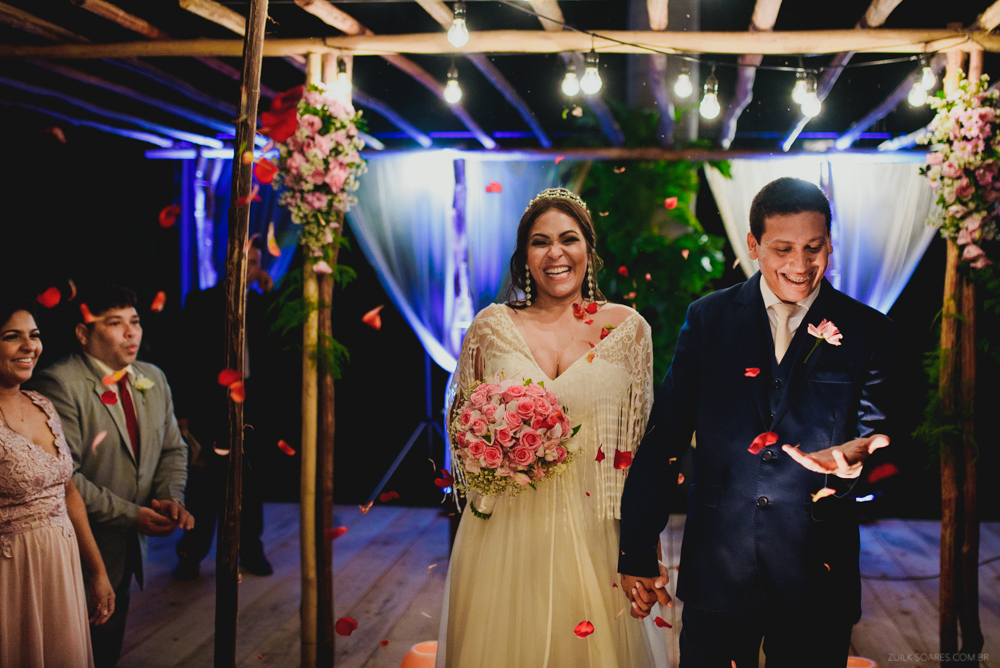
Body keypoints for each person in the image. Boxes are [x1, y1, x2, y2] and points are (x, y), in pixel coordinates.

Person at [618, 177, 894, 667]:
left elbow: (879, 433)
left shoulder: (868, 329)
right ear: (753, 244)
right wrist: (637, 548)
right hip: (719, 563)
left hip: (817, 570)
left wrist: (858, 460)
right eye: (783, 249)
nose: (801, 265)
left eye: (813, 248)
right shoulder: (708, 319)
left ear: (830, 242)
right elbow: (666, 434)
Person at [437, 188, 669, 668]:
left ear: (589, 248)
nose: (555, 253)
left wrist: (643, 551)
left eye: (568, 239)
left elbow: (642, 451)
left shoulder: (628, 330)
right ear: (525, 255)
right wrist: (494, 447)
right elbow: (460, 429)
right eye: (540, 242)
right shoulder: (492, 326)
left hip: (597, 533)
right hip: (506, 533)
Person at [28, 284, 193, 668]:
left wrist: (171, 498)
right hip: (77, 546)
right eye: (115, 323)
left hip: (126, 548)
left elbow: (172, 449)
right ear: (83, 333)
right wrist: (132, 515)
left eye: (135, 321)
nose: (131, 332)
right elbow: (64, 478)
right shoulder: (59, 384)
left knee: (107, 647)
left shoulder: (153, 377)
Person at [0, 298, 117, 668]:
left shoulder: (42, 404)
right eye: (11, 336)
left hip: (62, 564)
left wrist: (97, 571)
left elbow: (68, 492)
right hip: (13, 572)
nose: (29, 346)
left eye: (34, 335)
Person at [172, 239, 275, 579]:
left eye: (255, 262)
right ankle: (191, 553)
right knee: (204, 484)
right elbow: (184, 358)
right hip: (210, 403)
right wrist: (184, 411)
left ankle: (251, 551)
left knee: (251, 482)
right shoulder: (201, 301)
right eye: (243, 261)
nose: (249, 268)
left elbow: (277, 346)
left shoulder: (261, 305)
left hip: (252, 404)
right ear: (227, 263)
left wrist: (269, 293)